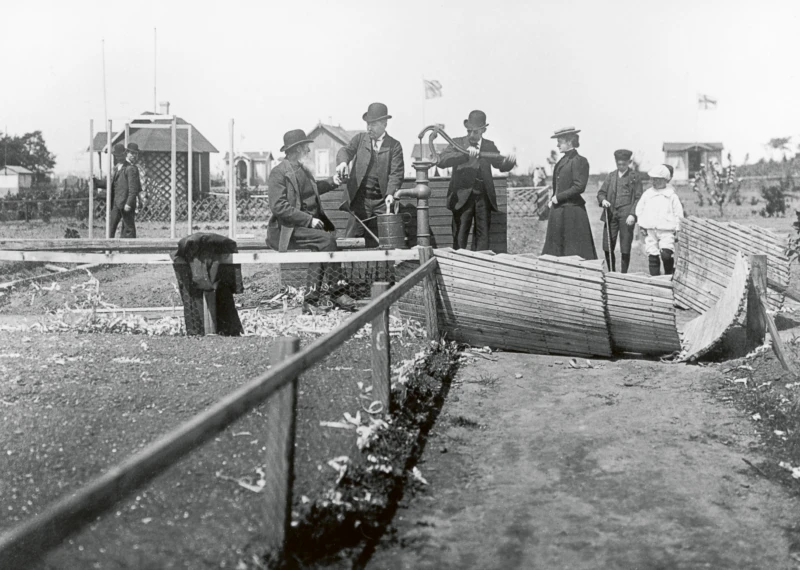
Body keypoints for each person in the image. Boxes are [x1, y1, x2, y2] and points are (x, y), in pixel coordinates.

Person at [267, 129, 354, 308]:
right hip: (287, 229)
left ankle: (310, 302)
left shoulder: (303, 171)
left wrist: (333, 181)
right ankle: (337, 293)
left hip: (306, 228)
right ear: (297, 149)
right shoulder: (279, 173)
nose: (308, 151)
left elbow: (312, 190)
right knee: (326, 240)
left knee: (321, 246)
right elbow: (278, 206)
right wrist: (309, 220)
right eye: (306, 148)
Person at [437, 110, 516, 251]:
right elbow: (441, 160)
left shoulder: (489, 145)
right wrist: (464, 154)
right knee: (460, 237)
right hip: (462, 199)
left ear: (483, 130)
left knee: (483, 236)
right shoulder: (457, 143)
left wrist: (509, 162)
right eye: (469, 131)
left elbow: (500, 165)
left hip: (483, 198)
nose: (471, 135)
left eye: (475, 132)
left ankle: (482, 266)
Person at [336, 102, 404, 248]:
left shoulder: (395, 146)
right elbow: (345, 151)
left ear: (384, 124)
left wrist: (391, 193)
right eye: (368, 124)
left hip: (382, 201)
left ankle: (386, 271)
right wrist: (343, 163)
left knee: (388, 241)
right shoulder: (360, 139)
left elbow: (396, 173)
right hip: (360, 201)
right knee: (351, 241)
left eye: (373, 124)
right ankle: (349, 270)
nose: (369, 128)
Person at [541, 127, 596, 259]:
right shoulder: (562, 160)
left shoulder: (579, 161)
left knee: (574, 251)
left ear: (570, 141)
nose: (557, 144)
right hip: (559, 212)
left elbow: (579, 186)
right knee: (555, 252)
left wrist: (558, 198)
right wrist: (553, 200)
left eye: (560, 141)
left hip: (572, 212)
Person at [597, 149, 643, 273]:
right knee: (607, 246)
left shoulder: (635, 177)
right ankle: (611, 271)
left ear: (629, 162)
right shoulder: (611, 176)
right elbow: (601, 193)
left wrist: (633, 214)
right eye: (619, 164)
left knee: (625, 246)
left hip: (626, 217)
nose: (621, 166)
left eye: (624, 164)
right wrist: (603, 200)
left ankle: (623, 274)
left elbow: (639, 197)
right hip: (611, 215)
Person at [635, 164, 684, 276]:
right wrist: (642, 225)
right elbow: (640, 210)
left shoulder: (671, 195)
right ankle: (655, 279)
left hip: (667, 230)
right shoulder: (648, 194)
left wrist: (678, 229)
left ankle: (669, 274)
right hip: (651, 229)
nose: (654, 182)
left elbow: (678, 214)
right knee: (652, 254)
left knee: (666, 254)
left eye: (657, 179)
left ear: (665, 180)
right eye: (653, 179)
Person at [94, 142, 142, 238]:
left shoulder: (130, 168)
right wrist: (95, 181)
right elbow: (110, 184)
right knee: (111, 227)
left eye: (120, 156)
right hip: (116, 203)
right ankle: (108, 248)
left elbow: (134, 189)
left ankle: (128, 249)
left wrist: (128, 203)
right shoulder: (116, 168)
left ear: (124, 154)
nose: (117, 158)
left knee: (128, 228)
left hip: (126, 203)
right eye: (116, 156)